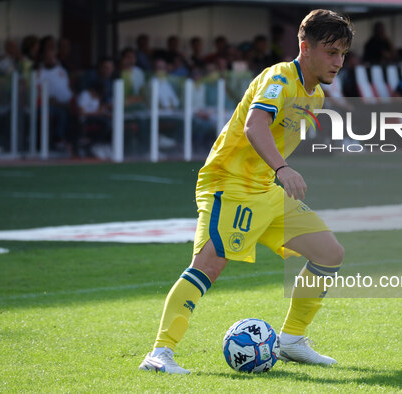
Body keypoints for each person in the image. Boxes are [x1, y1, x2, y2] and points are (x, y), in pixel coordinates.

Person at [139, 8, 353, 374]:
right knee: (209, 265)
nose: (338, 62)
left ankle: (291, 341)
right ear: (305, 47)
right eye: (331, 52)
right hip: (230, 184)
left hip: (265, 189)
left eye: (343, 54)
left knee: (329, 254)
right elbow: (256, 126)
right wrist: (282, 168)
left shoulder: (315, 94)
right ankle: (160, 354)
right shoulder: (280, 77)